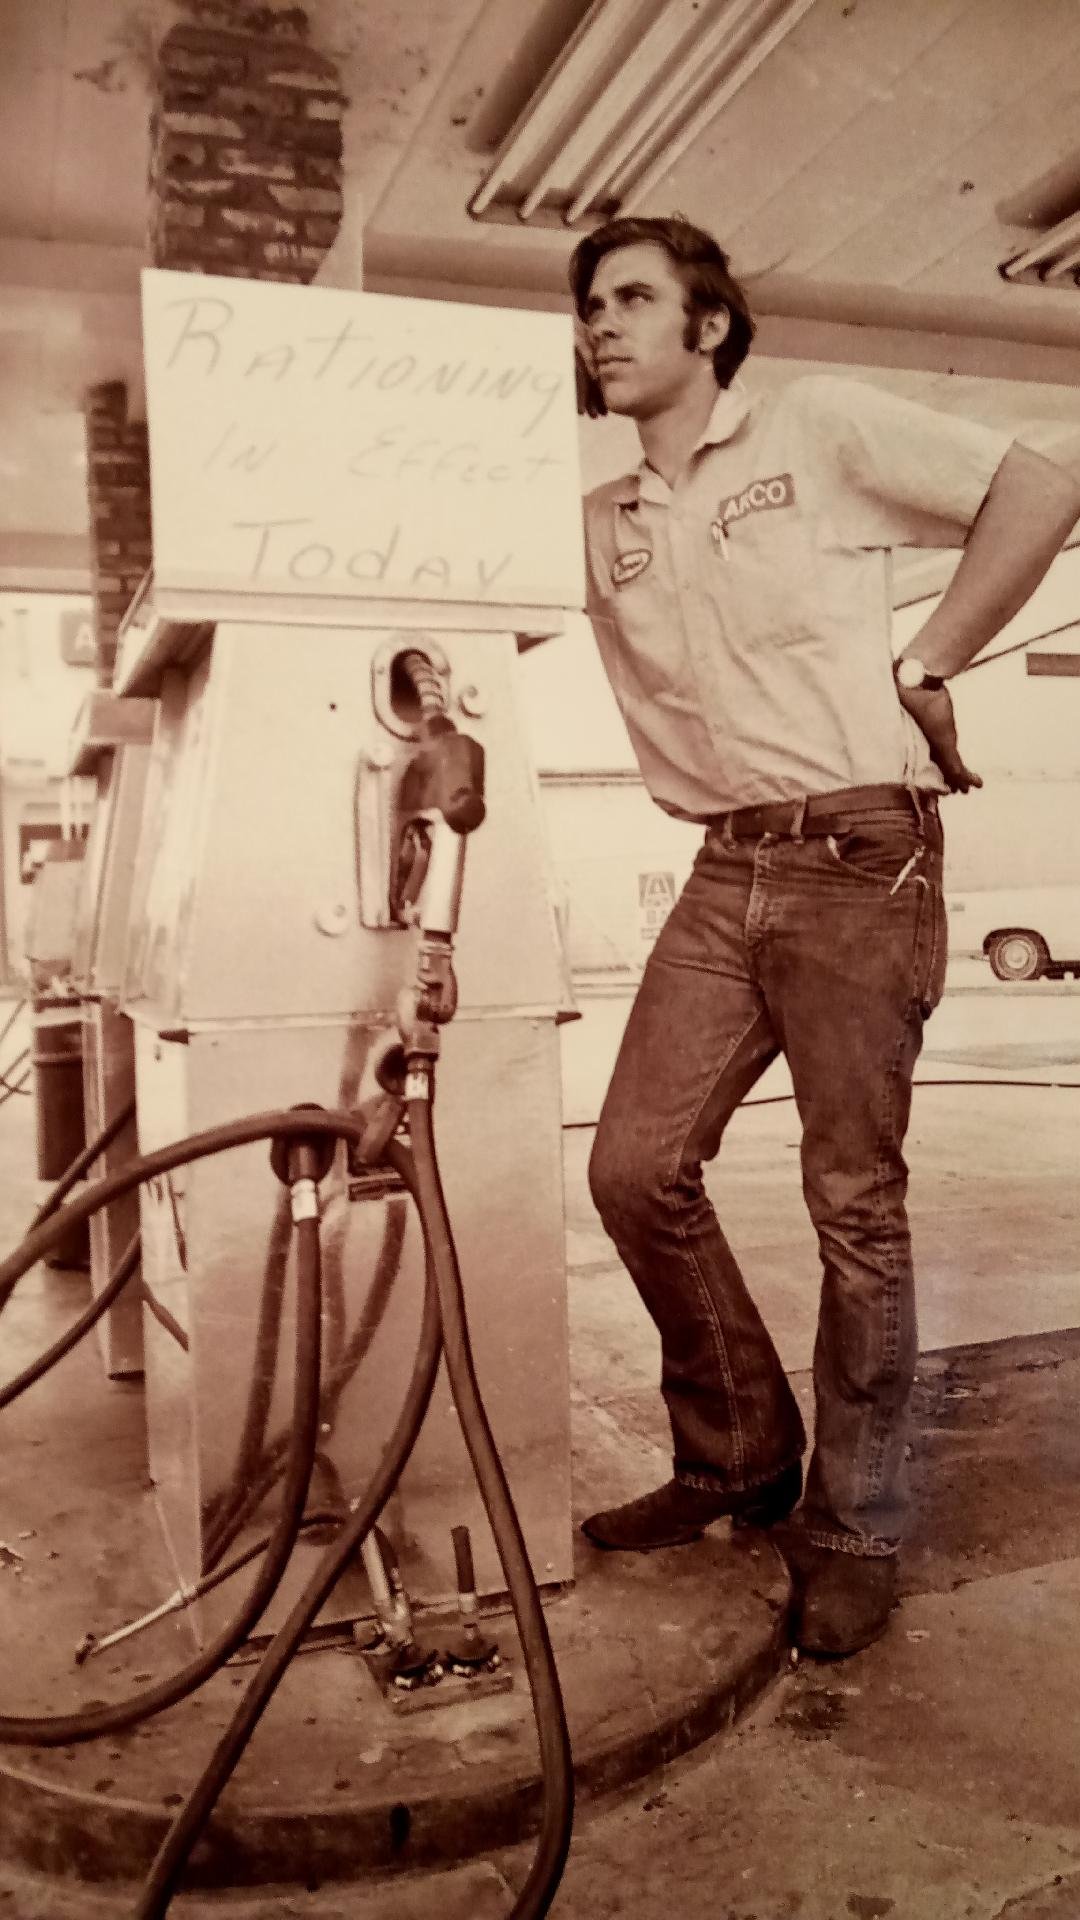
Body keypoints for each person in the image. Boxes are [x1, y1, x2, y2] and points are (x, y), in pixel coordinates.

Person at [569, 214, 1080, 1657]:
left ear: (708, 327)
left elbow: (1044, 482)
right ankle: (739, 1452)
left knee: (853, 1204)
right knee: (632, 1168)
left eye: (630, 299)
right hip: (723, 860)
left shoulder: (816, 429)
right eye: (588, 307)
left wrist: (930, 657)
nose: (600, 326)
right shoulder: (605, 520)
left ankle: (856, 1521)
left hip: (862, 851)